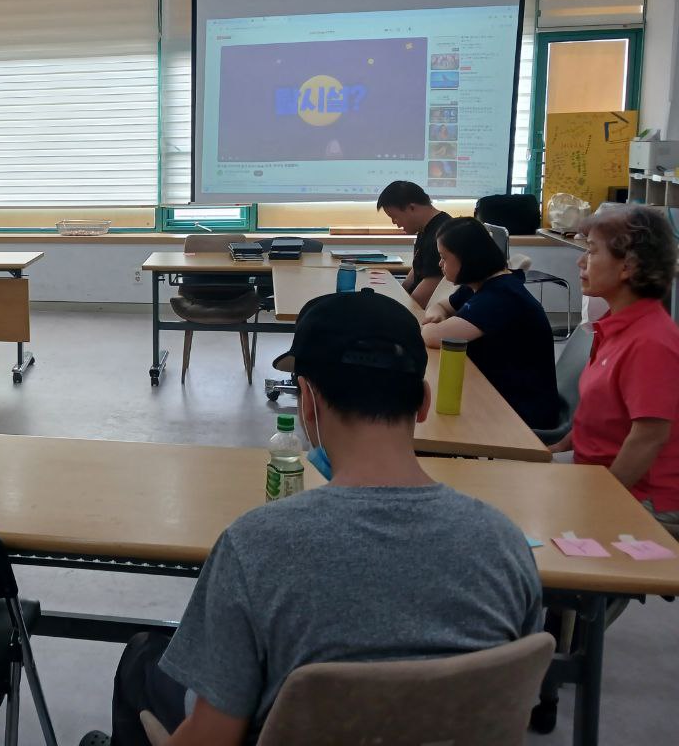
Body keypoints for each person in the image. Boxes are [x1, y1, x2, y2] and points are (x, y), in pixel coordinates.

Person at [87, 291, 542, 746]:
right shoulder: (504, 543)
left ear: (308, 401)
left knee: (144, 659)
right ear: (422, 401)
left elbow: (212, 736)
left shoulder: (255, 545)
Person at [552, 207, 679, 520]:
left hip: (637, 494)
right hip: (595, 472)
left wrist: (605, 506)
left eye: (592, 252)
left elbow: (648, 437)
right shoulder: (615, 325)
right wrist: (557, 448)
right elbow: (599, 412)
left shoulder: (651, 341)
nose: (581, 262)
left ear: (628, 266)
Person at [422, 217, 559, 433]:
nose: (440, 264)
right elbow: (440, 305)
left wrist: (430, 325)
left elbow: (433, 337)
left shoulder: (502, 296)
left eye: (444, 257)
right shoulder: (480, 283)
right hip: (499, 389)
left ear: (467, 259)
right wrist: (437, 315)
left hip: (521, 409)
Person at [377, 180, 450, 308]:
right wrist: (399, 292)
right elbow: (417, 269)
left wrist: (398, 308)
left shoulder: (442, 233)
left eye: (394, 216)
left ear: (411, 208)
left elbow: (432, 283)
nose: (394, 222)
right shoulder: (425, 229)